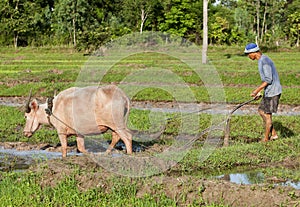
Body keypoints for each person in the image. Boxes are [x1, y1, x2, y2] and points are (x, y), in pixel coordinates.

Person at [244, 43, 282, 142]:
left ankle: (265, 140)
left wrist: (256, 90)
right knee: (261, 111)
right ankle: (273, 134)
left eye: (248, 54)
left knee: (267, 115)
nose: (248, 56)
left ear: (253, 53)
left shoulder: (264, 61)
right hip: (269, 91)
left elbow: (268, 80)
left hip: (273, 92)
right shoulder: (262, 60)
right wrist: (261, 92)